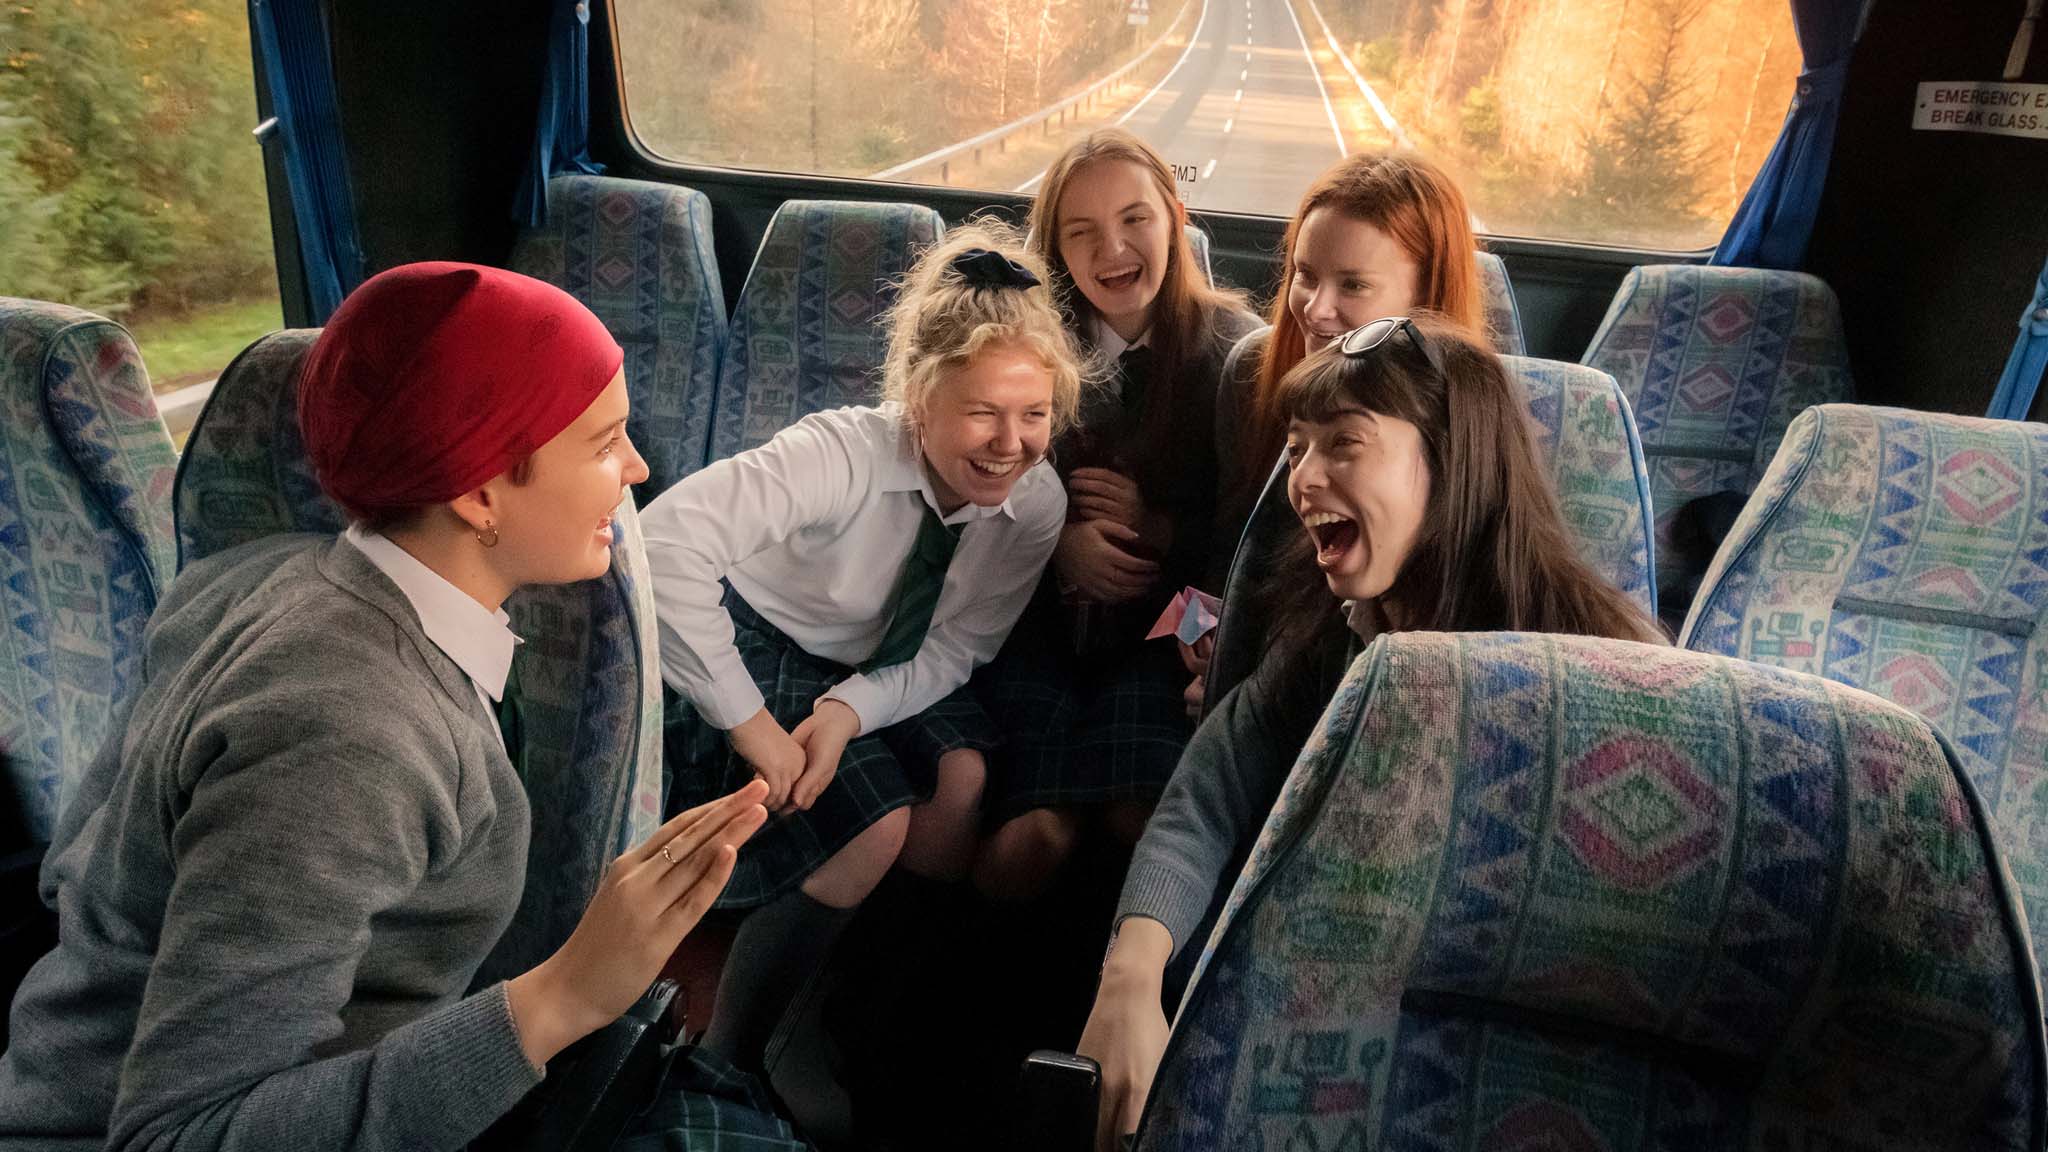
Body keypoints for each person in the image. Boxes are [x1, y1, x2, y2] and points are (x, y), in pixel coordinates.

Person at [0, 262, 771, 1151]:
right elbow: (177, 1134)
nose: (636, 469)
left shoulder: (254, 575)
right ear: (480, 492)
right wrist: (561, 998)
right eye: (604, 443)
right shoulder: (351, 737)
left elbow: (80, 868)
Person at [1076, 315, 1666, 1152]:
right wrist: (1130, 976)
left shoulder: (1606, 668)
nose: (1303, 481)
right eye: (1296, 448)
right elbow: (1208, 794)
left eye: (1343, 445)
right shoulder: (1331, 629)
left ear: (1451, 463)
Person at [641, 221, 1081, 1084]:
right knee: (873, 823)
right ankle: (745, 1044)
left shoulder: (1035, 503)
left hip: (889, 655)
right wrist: (754, 725)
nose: (1011, 443)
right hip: (764, 634)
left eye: (1035, 415)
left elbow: (958, 646)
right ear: (921, 401)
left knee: (962, 784)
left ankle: (864, 1011)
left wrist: (848, 711)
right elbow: (662, 545)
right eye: (984, 413)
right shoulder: (839, 453)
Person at [974, 128, 1263, 900]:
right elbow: (973, 496)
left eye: (1135, 219)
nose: (1114, 249)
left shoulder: (1234, 355)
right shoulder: (1027, 349)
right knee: (1033, 836)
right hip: (1030, 629)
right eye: (1082, 231)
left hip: (1159, 642)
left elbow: (1247, 535)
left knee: (1143, 820)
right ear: (1056, 250)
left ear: (1176, 218)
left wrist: (1163, 531)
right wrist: (1057, 545)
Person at [1188, 151, 1489, 716]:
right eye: (1305, 275)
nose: (1315, 310)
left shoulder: (1475, 415)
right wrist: (1213, 643)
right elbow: (1234, 546)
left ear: (1425, 299)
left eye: (1353, 285)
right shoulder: (1251, 372)